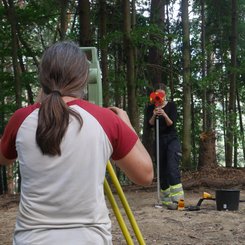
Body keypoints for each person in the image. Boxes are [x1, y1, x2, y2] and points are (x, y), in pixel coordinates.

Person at [0, 41, 153, 245]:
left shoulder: (21, 119)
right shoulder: (105, 120)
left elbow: (4, 158)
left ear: (43, 78)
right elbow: (145, 175)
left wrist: (41, 101)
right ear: (84, 78)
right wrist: (128, 127)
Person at [146, 83, 184, 209]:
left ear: (165, 94)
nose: (158, 97)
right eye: (156, 94)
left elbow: (171, 124)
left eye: (160, 94)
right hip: (159, 140)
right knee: (162, 170)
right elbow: (149, 125)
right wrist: (154, 114)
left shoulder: (172, 105)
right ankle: (167, 202)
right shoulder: (150, 108)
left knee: (172, 168)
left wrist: (164, 114)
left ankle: (180, 203)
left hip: (172, 139)